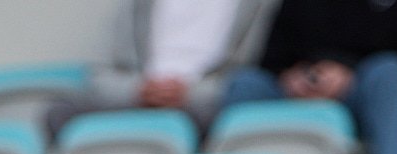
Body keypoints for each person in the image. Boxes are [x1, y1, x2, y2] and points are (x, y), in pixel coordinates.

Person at [224, 0, 397, 154]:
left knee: (390, 71)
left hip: (359, 91)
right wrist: (292, 77)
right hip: (294, 93)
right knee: (245, 83)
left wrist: (348, 74)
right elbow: (269, 60)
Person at [47, 0, 273, 141]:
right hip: (139, 97)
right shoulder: (135, 6)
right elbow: (101, 72)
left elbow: (255, 64)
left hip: (207, 99)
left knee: (248, 90)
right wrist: (138, 91)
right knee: (61, 110)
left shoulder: (256, 6)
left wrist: (189, 93)